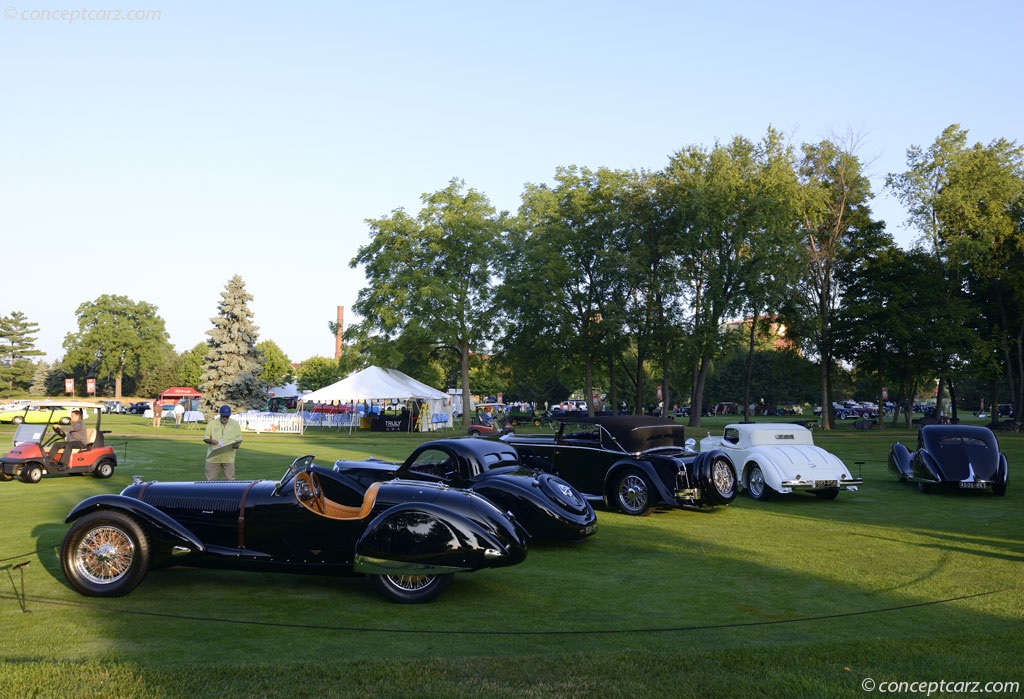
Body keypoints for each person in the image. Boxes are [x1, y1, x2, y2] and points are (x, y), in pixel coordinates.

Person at [202, 404, 243, 480]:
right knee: (210, 481)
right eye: (223, 416)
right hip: (213, 457)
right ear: (220, 414)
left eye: (227, 416)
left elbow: (239, 440)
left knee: (229, 480)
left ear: (230, 415)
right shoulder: (212, 423)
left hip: (229, 458)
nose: (225, 418)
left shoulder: (235, 424)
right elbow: (205, 438)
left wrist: (237, 445)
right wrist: (211, 441)